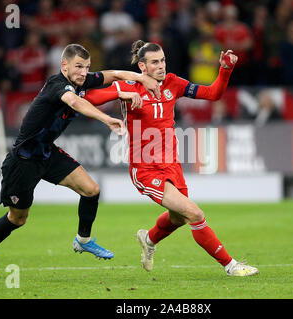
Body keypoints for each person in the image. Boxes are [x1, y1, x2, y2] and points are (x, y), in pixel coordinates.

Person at [0, 43, 160, 279]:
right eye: (78, 67)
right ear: (64, 66)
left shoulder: (81, 80)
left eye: (87, 67)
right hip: (23, 160)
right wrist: (107, 119)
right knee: (18, 218)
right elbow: (75, 103)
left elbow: (112, 74)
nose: (84, 72)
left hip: (47, 153)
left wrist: (141, 78)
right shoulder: (57, 85)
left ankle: (83, 240)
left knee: (91, 190)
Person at [84, 41, 259, 277]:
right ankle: (231, 265)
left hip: (171, 165)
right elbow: (90, 98)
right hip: (145, 169)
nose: (161, 66)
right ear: (142, 67)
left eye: (163, 60)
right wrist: (121, 92)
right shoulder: (130, 86)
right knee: (195, 214)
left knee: (179, 218)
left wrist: (225, 69)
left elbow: (213, 94)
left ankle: (149, 238)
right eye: (155, 62)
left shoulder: (173, 83)